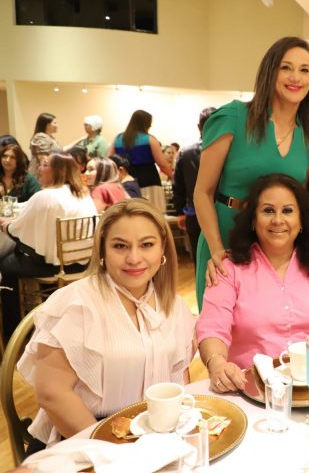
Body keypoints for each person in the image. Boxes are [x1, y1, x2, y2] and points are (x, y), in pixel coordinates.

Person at [17, 198, 195, 448]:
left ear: (163, 249)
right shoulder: (75, 304)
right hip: (86, 437)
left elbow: (180, 382)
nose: (134, 258)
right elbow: (52, 394)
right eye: (120, 246)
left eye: (146, 244)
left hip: (154, 438)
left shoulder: (174, 306)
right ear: (102, 250)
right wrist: (110, 451)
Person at [197, 174, 309, 392]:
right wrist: (217, 363)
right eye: (268, 210)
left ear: (301, 222)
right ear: (253, 220)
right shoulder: (229, 269)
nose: (278, 220)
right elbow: (212, 327)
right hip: (251, 388)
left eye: (288, 211)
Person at [194, 36, 309, 309]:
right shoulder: (233, 118)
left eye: (304, 70)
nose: (296, 77)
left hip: (276, 245)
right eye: (286, 67)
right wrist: (217, 248)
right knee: (220, 323)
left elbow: (303, 204)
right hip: (225, 234)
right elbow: (203, 192)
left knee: (269, 324)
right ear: (270, 71)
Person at [0, 153, 98, 342]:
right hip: (82, 263)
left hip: (54, 266)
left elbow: (19, 229)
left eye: (44, 165)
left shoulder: (45, 196)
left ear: (57, 170)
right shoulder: (83, 194)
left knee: (6, 264)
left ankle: (14, 331)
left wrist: (6, 225)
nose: (39, 168)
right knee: (36, 252)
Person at [173, 107, 215, 268]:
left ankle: (200, 284)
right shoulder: (228, 150)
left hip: (194, 212)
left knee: (199, 257)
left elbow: (178, 185)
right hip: (220, 211)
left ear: (199, 126)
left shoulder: (186, 152)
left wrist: (180, 211)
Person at [109, 110, 173, 212]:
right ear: (145, 124)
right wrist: (173, 176)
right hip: (149, 181)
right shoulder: (150, 139)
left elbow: (110, 161)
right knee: (153, 212)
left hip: (125, 182)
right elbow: (162, 164)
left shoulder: (118, 139)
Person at [29, 113, 63, 177]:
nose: (57, 125)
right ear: (48, 125)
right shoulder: (40, 137)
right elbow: (43, 160)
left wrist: (79, 140)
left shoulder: (50, 138)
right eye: (55, 123)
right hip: (42, 175)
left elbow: (62, 150)